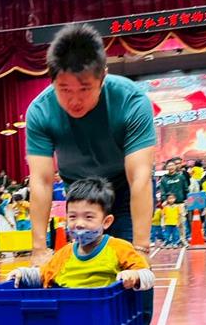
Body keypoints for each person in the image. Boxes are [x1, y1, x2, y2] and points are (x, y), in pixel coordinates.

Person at [26, 24, 155, 267]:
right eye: (64, 89)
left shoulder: (131, 101)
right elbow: (41, 181)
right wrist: (39, 249)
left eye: (85, 89)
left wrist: (141, 249)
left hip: (125, 189)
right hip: (80, 192)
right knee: (84, 267)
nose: (74, 100)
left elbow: (140, 177)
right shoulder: (40, 111)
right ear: (52, 81)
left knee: (129, 265)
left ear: (102, 77)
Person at [8, 178, 155, 291]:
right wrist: (23, 274)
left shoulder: (119, 248)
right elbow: (43, 274)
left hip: (104, 315)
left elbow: (148, 276)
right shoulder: (64, 254)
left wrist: (135, 276)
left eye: (88, 217)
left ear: (106, 222)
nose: (79, 223)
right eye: (72, 217)